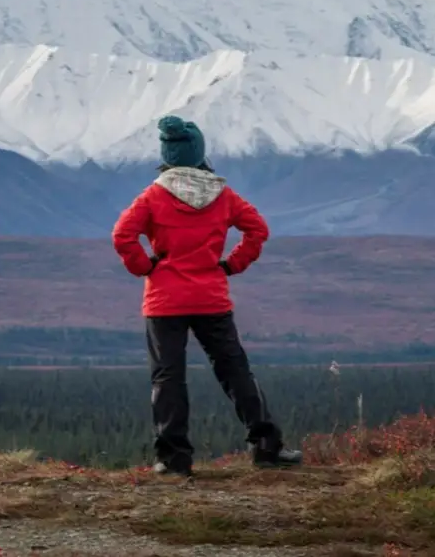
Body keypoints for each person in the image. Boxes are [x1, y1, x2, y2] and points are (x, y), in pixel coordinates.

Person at [112, 115, 303, 476]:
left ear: (166, 154)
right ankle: (267, 447)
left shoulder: (153, 196)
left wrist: (145, 268)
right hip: (211, 297)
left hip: (165, 300)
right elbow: (257, 230)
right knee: (235, 370)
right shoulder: (223, 195)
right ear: (199, 153)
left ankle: (174, 460)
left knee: (168, 377)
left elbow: (122, 235)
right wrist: (231, 265)